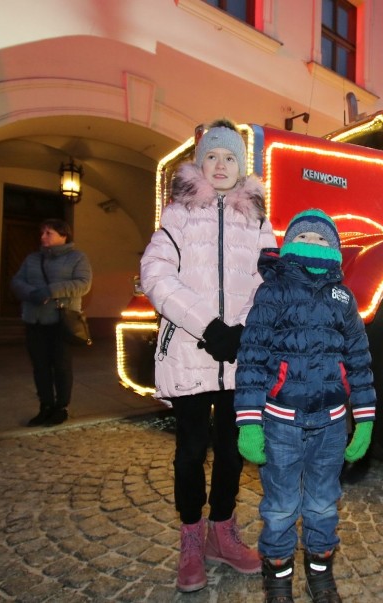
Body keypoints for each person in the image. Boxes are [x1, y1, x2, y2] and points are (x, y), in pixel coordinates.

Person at [140, 118, 277, 592]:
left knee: (233, 451)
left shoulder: (256, 219)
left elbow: (269, 279)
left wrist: (242, 329)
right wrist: (210, 326)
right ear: (200, 164)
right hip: (189, 353)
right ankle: (192, 540)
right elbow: (157, 275)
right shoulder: (177, 215)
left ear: (242, 167)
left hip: (240, 355)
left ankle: (223, 531)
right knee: (190, 451)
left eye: (230, 157)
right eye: (212, 157)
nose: (220, 165)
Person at [234, 209, 376, 603]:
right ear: (290, 244)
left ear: (334, 248)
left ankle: (321, 575)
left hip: (330, 424)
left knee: (322, 503)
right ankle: (278, 581)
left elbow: (360, 359)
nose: (313, 244)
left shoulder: (343, 298)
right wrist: (248, 421)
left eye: (322, 239)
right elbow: (252, 356)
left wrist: (363, 418)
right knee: (280, 507)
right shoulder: (273, 291)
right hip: (281, 421)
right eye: (305, 238)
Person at [11, 219, 92, 427]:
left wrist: (50, 291)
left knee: (61, 366)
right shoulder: (32, 259)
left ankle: (61, 407)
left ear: (63, 235)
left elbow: (83, 284)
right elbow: (16, 282)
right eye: (42, 232)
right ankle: (45, 406)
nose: (43, 237)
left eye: (49, 233)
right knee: (40, 367)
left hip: (60, 321)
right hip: (34, 320)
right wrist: (31, 293)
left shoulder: (77, 257)